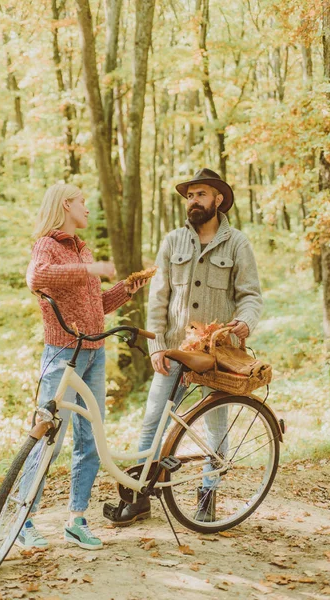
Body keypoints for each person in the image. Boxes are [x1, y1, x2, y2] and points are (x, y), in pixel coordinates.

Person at [108, 167, 263, 526]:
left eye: (201, 195)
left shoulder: (237, 243)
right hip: (175, 350)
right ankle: (139, 495)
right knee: (152, 421)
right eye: (190, 195)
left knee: (215, 427)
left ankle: (207, 494)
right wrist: (158, 345)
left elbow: (251, 296)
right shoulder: (172, 241)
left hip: (216, 353)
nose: (194, 201)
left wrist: (245, 322)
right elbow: (159, 296)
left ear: (218, 199)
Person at [18, 182, 146, 550]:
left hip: (94, 353)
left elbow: (95, 308)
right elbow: (36, 278)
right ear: (65, 205)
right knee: (49, 438)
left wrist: (125, 289)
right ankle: (23, 519)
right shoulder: (48, 245)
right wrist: (89, 268)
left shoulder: (81, 248)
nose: (87, 209)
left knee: (90, 440)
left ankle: (77, 519)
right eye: (82, 203)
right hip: (62, 354)